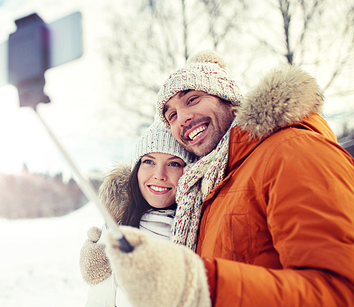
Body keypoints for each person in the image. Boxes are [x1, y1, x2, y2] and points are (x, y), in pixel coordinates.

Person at [100, 50, 354, 307]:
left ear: (229, 99)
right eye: (171, 116)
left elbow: (340, 292)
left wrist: (199, 283)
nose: (182, 119)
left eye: (192, 99)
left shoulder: (293, 150)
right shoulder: (210, 185)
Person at [82, 120, 191, 306]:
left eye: (173, 164)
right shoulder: (116, 228)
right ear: (136, 170)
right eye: (149, 161)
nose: (159, 175)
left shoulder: (201, 231)